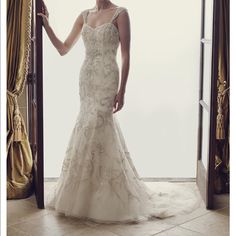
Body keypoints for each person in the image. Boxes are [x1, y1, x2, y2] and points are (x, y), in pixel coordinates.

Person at [38, 0, 200, 224]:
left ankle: (107, 197)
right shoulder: (83, 15)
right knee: (86, 127)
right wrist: (46, 25)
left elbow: (125, 55)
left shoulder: (121, 14)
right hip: (87, 79)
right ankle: (86, 196)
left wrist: (122, 89)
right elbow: (64, 48)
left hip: (107, 78)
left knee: (99, 125)